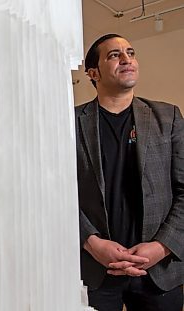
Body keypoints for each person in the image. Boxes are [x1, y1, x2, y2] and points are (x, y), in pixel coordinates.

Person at [75, 33, 183, 311]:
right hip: (95, 270)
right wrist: (91, 242)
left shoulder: (168, 117)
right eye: (114, 55)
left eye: (130, 53)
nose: (126, 60)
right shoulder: (69, 122)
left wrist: (161, 247)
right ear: (93, 72)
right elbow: (56, 193)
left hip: (158, 272)